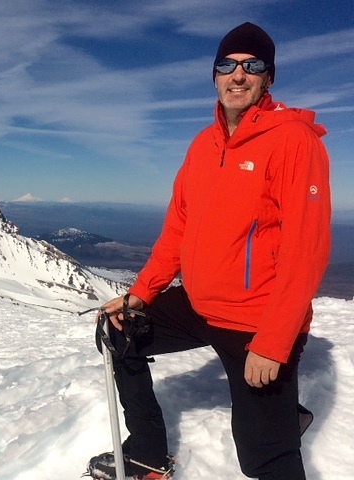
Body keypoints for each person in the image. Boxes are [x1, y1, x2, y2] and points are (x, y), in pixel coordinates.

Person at [86, 22, 331, 480]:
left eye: (251, 66)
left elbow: (307, 252)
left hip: (256, 321)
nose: (238, 75)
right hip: (201, 307)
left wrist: (274, 344)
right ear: (214, 76)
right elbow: (177, 231)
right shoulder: (203, 145)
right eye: (227, 66)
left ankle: (279, 421)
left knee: (264, 459)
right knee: (120, 330)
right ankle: (147, 454)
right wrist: (140, 295)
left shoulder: (294, 141)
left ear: (268, 78)